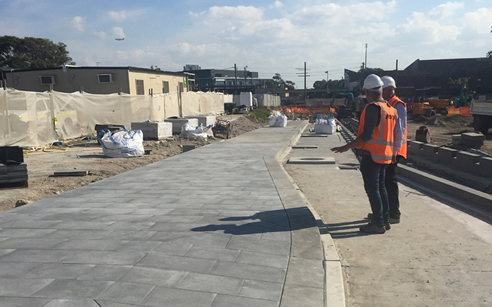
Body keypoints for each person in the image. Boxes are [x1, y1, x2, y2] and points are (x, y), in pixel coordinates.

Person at [331, 74, 401, 234]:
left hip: (372, 154)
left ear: (368, 92)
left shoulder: (373, 108)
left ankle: (377, 223)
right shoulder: (390, 109)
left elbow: (367, 135)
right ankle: (384, 220)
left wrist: (347, 146)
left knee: (373, 189)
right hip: (386, 155)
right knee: (381, 187)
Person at [379, 76, 406, 224]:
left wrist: (395, 151)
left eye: (382, 89)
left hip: (394, 151)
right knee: (383, 181)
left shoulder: (398, 104)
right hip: (387, 150)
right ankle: (384, 212)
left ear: (389, 89)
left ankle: (394, 214)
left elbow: (400, 131)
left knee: (389, 181)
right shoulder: (386, 103)